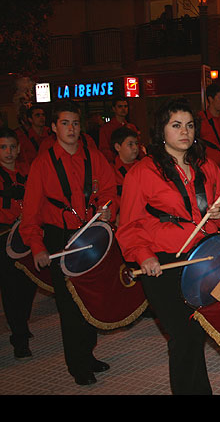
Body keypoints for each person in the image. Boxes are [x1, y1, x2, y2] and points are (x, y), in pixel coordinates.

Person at [116, 98, 220, 395]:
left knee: (195, 333)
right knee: (183, 336)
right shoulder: (142, 171)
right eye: (176, 125)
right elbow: (128, 225)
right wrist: (144, 256)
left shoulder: (206, 165)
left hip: (203, 258)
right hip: (163, 264)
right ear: (161, 130)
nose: (185, 132)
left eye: (190, 125)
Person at [20, 102, 117, 386]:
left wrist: (109, 207)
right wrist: (37, 247)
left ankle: (87, 353)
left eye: (75, 123)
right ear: (54, 127)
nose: (71, 128)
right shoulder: (42, 163)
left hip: (91, 235)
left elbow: (109, 190)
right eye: (65, 123)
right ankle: (77, 364)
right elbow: (31, 212)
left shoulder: (94, 157)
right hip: (59, 238)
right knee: (69, 304)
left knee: (90, 298)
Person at [0, 128, 37, 359]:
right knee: (11, 288)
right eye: (3, 147)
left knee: (29, 283)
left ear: (19, 148)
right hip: (4, 236)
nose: (8, 152)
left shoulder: (28, 171)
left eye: (12, 147)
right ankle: (20, 337)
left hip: (28, 234)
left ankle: (21, 323)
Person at [110, 126, 140, 211]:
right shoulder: (110, 170)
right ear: (117, 147)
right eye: (130, 144)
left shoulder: (144, 167)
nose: (135, 148)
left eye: (136, 143)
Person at [99, 99, 138, 164]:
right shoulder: (106, 128)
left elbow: (138, 145)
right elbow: (104, 149)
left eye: (125, 106)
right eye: (120, 106)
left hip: (132, 162)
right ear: (114, 109)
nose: (123, 109)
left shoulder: (132, 127)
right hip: (114, 164)